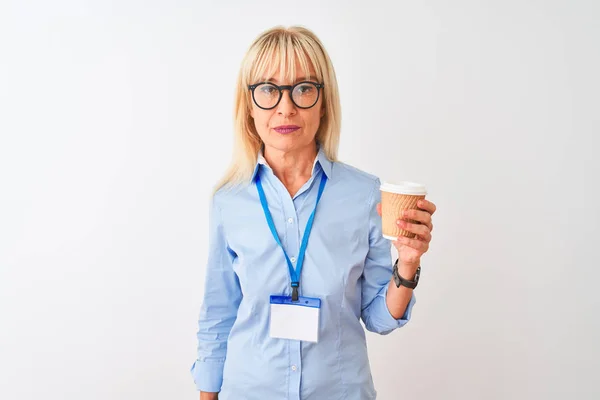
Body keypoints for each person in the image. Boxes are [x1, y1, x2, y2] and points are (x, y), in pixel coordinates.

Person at [190, 25, 437, 400]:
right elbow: (217, 315)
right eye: (269, 90)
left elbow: (379, 319)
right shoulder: (229, 200)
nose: (285, 107)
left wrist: (407, 264)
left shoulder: (365, 194)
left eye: (304, 88)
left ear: (324, 102)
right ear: (250, 105)